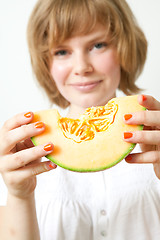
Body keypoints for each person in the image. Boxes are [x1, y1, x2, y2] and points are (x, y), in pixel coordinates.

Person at [0, 0, 160, 239]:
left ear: (125, 48)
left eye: (98, 45)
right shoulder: (19, 156)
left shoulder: (155, 139)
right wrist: (19, 196)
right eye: (62, 51)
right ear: (47, 64)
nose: (82, 67)